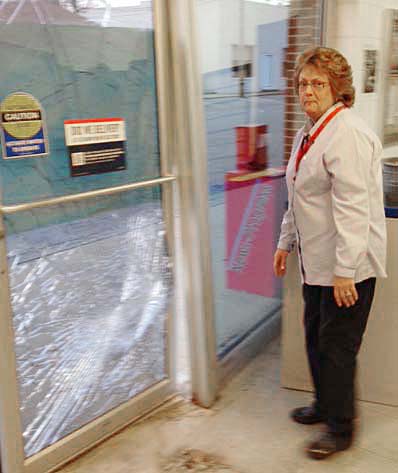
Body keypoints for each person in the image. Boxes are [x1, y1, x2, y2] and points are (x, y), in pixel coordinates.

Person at [273, 46, 387, 460]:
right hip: (316, 262)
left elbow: (354, 211)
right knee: (315, 339)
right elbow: (298, 195)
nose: (307, 90)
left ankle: (341, 429)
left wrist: (344, 272)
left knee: (337, 348)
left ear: (338, 88)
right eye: (303, 83)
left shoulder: (348, 135)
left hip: (347, 267)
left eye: (318, 83)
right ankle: (324, 405)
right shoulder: (310, 132)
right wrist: (285, 242)